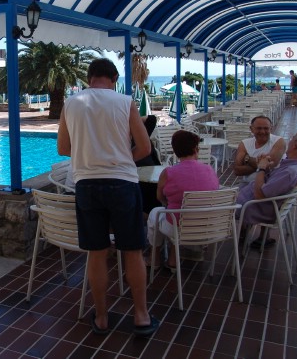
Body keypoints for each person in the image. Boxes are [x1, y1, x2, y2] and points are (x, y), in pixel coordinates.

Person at [57, 58, 159, 337]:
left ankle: (101, 317)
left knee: (97, 253)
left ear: (89, 78)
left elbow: (63, 148)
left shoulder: (71, 103)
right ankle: (141, 315)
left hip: (87, 185)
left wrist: (89, 155)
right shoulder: (125, 102)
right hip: (122, 183)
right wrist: (121, 160)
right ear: (114, 79)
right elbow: (144, 147)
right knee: (133, 250)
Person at [147, 130, 220, 270]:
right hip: (208, 226)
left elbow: (160, 197)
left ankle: (154, 259)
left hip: (180, 227)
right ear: (195, 149)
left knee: (156, 213)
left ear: (175, 150)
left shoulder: (168, 172)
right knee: (176, 212)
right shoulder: (209, 169)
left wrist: (169, 203)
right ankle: (173, 260)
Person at [237, 129, 297, 248]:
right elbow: (272, 185)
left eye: (292, 138)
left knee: (212, 201)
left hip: (250, 206)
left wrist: (261, 168)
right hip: (256, 202)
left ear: (296, 145)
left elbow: (260, 196)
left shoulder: (290, 172)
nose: (289, 140)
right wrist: (267, 167)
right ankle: (243, 234)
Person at [234, 116, 286, 183]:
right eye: (259, 128)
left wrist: (247, 159)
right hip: (246, 184)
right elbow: (237, 171)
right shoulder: (244, 143)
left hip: (268, 185)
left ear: (271, 129)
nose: (262, 132)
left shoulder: (279, 141)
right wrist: (262, 165)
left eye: (266, 128)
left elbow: (270, 165)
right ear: (251, 129)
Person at [135, 115, 162, 215]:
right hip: (142, 172)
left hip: (149, 170)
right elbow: (151, 119)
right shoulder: (141, 134)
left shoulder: (140, 134)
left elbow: (152, 118)